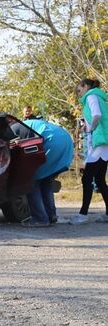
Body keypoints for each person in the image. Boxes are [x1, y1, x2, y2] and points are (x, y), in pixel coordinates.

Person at [12, 118, 73, 227]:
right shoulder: (28, 123)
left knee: (31, 182)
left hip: (52, 142)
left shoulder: (13, 128)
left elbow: (12, 146)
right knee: (46, 181)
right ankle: (51, 216)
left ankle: (40, 219)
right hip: (66, 140)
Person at [70, 78, 108, 225]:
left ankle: (83, 214)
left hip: (99, 141)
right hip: (104, 141)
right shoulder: (99, 96)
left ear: (85, 86)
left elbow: (97, 115)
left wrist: (90, 128)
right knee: (99, 180)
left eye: (79, 91)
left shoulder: (91, 96)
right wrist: (89, 127)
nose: (79, 95)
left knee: (87, 179)